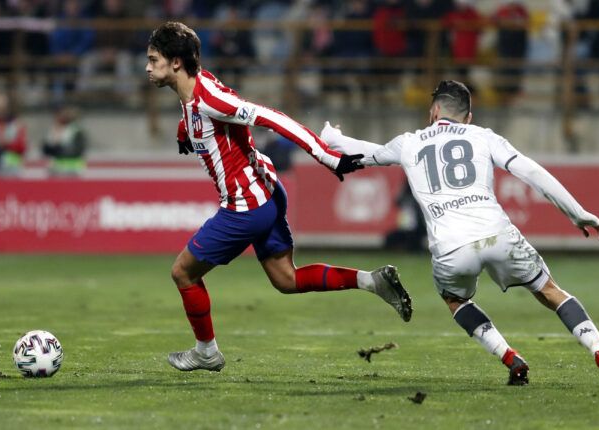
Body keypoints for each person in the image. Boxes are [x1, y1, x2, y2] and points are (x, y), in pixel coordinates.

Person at [321, 80, 599, 386]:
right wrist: (577, 213)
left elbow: (364, 152)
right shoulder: (483, 136)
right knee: (549, 291)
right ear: (468, 117)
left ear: (433, 112)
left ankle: (511, 358)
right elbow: (531, 171)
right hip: (497, 234)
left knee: (455, 300)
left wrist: (333, 139)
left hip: (450, 247)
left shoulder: (408, 142)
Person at [145, 21, 413, 372]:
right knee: (286, 279)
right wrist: (186, 131)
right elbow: (207, 119)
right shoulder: (198, 90)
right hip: (268, 193)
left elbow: (271, 118)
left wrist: (326, 155)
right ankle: (371, 280)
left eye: (153, 59)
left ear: (176, 62)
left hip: (246, 207)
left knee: (183, 273)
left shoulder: (210, 98)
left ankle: (206, 351)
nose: (148, 67)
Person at [41, 105, 87, 176]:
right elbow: (45, 150)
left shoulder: (76, 131)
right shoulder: (52, 131)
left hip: (73, 170)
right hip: (56, 170)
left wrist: (57, 147)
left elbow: (77, 150)